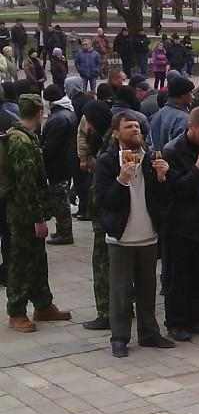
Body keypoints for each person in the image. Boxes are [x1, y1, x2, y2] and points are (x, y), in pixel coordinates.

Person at [94, 112, 175, 357]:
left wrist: (162, 178)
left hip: (148, 235)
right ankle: (119, 338)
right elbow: (102, 202)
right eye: (129, 127)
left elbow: (163, 200)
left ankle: (149, 333)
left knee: (147, 288)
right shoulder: (107, 161)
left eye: (138, 126)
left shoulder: (151, 157)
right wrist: (121, 180)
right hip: (121, 237)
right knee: (120, 291)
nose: (135, 130)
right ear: (116, 132)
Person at [5, 94, 71, 333]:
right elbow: (26, 185)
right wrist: (37, 218)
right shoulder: (21, 141)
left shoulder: (25, 137)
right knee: (21, 262)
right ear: (38, 111)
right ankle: (17, 311)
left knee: (37, 259)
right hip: (24, 214)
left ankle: (43, 304)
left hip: (30, 211)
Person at [162, 107, 199, 341]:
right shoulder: (173, 151)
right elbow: (178, 188)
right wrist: (198, 168)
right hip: (180, 221)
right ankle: (175, 322)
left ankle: (195, 317)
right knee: (178, 275)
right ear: (191, 127)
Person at [79, 101, 114, 330]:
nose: (87, 126)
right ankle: (121, 305)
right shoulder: (109, 139)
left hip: (107, 215)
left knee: (103, 262)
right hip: (112, 214)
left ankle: (107, 312)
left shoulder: (109, 146)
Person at [41, 85, 77, 246]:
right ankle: (62, 230)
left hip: (58, 164)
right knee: (60, 197)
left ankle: (65, 232)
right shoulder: (67, 113)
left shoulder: (58, 119)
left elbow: (51, 147)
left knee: (60, 199)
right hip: (66, 162)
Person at [150, 76, 194, 150]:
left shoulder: (157, 114)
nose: (193, 96)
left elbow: (150, 143)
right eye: (190, 92)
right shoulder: (184, 119)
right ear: (183, 95)